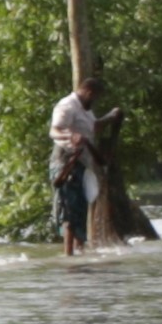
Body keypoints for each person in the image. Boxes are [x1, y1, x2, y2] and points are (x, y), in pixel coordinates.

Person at [46, 76, 109, 249]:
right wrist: (70, 136)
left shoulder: (86, 110)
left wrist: (110, 117)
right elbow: (54, 131)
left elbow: (93, 127)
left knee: (80, 209)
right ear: (89, 92)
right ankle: (69, 255)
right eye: (95, 97)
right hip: (66, 162)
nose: (95, 102)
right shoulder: (67, 106)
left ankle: (79, 252)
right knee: (70, 210)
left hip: (83, 164)